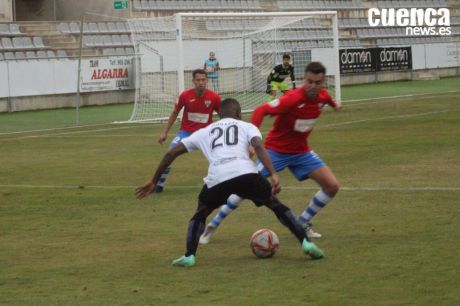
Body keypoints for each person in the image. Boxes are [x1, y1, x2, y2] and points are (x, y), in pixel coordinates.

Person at [135, 98, 324, 267]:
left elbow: (171, 153)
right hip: (247, 173)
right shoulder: (247, 126)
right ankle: (305, 242)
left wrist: (154, 180)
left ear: (219, 114)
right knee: (274, 204)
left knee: (201, 212)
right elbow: (258, 146)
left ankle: (190, 255)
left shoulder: (205, 131)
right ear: (239, 114)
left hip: (218, 177)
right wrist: (273, 173)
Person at [200, 62, 341, 244]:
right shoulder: (292, 98)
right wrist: (251, 141)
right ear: (303, 79)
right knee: (244, 187)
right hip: (275, 151)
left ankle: (303, 222)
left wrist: (335, 105)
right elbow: (261, 110)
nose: (313, 86)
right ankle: (213, 225)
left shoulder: (323, 96)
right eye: (309, 82)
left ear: (323, 82)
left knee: (332, 186)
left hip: (301, 152)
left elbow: (327, 99)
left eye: (317, 82)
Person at [156, 69, 221, 193]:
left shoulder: (214, 97)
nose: (201, 82)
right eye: (198, 80)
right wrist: (165, 132)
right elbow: (175, 112)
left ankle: (221, 183)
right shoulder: (185, 96)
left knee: (219, 158)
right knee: (169, 153)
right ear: (193, 81)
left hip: (206, 135)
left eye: (203, 80)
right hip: (186, 133)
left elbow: (224, 115)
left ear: (206, 81)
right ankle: (158, 185)